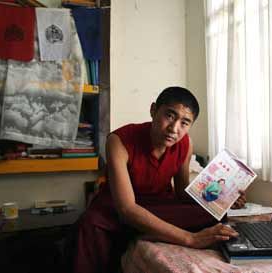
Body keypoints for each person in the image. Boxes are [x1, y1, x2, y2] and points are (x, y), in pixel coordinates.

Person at [72, 86, 247, 273]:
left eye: (184, 123)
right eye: (170, 116)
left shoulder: (185, 144)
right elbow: (126, 209)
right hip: (116, 209)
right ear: (153, 110)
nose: (174, 128)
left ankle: (146, 230)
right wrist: (189, 238)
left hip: (158, 206)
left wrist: (223, 199)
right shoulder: (119, 140)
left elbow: (182, 192)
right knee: (90, 224)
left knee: (216, 214)